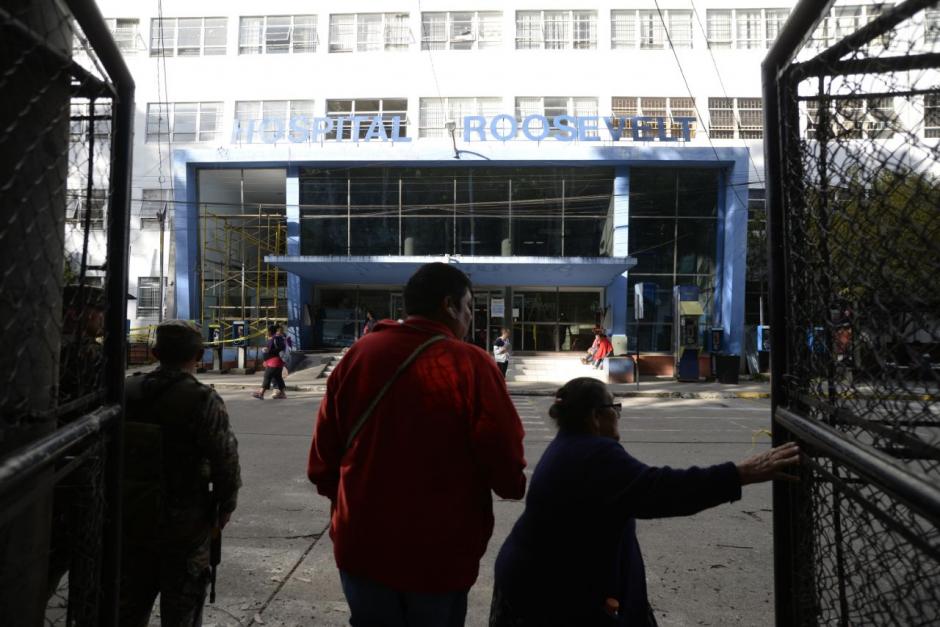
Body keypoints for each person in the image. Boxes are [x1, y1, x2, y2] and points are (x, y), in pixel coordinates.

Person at [308, 262, 527, 627]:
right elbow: (506, 471)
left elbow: (322, 462)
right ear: (449, 305)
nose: (471, 317)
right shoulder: (472, 364)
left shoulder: (359, 356)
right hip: (438, 555)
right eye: (470, 306)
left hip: (362, 545)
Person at [490, 377, 799, 626]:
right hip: (544, 596)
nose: (618, 414)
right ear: (596, 416)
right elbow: (663, 490)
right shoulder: (594, 454)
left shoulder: (572, 446)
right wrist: (740, 474)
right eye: (615, 407)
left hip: (539, 585)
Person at [120, 320, 241, 627]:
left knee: (126, 607)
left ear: (154, 352)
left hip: (129, 516)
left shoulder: (126, 390)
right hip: (184, 523)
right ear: (199, 355)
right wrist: (225, 505)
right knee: (182, 613)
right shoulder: (201, 399)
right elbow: (225, 460)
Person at [253, 325, 287, 399]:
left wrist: (268, 350)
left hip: (274, 362)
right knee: (278, 378)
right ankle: (283, 394)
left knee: (267, 377)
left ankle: (261, 393)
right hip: (275, 362)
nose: (266, 333)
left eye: (267, 331)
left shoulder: (275, 338)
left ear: (270, 331)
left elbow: (279, 348)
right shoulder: (275, 338)